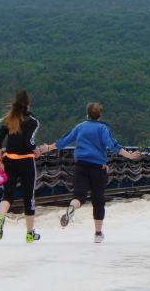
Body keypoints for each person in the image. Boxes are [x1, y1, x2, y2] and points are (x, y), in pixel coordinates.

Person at [38, 102, 141, 243]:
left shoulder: (80, 127)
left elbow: (64, 141)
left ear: (87, 114)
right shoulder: (103, 128)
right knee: (98, 200)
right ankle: (98, 234)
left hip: (80, 166)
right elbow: (113, 146)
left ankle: (72, 207)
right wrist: (130, 155)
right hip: (98, 168)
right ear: (99, 115)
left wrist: (47, 148)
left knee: (79, 196)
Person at [0, 90, 41, 243]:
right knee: (29, 196)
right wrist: (36, 150)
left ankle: (1, 216)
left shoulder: (9, 118)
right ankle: (29, 233)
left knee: (8, 194)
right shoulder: (33, 121)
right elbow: (29, 142)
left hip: (9, 160)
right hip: (26, 162)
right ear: (28, 104)